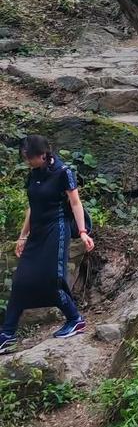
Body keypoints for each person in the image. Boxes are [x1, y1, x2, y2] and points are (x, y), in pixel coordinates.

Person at [0, 134, 94, 352]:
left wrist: (82, 232)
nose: (27, 162)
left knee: (52, 278)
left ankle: (75, 319)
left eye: (29, 158)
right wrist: (23, 236)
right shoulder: (34, 174)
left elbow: (76, 203)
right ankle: (7, 333)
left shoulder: (63, 172)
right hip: (38, 231)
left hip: (56, 229)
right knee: (21, 279)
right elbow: (32, 207)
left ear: (42, 155)